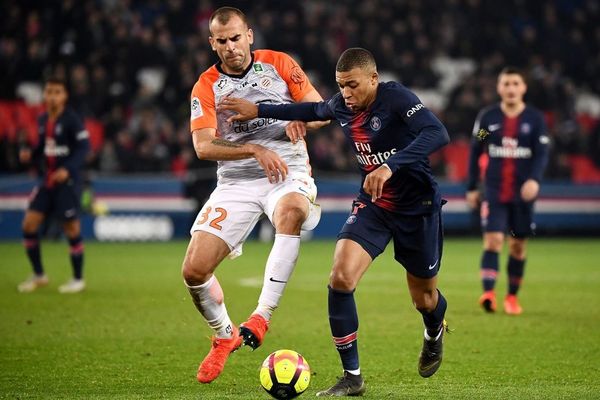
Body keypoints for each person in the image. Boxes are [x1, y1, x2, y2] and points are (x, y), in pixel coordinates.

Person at [221, 47, 450, 396]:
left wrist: (389, 166)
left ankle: (434, 330)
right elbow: (313, 109)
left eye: (353, 85)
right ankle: (352, 376)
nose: (346, 93)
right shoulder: (343, 105)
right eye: (341, 85)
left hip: (417, 208)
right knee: (340, 278)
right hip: (374, 205)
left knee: (425, 299)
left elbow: (437, 133)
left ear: (373, 79)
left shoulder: (395, 97)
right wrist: (261, 109)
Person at [181, 6, 327, 384]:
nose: (231, 47)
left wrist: (300, 115)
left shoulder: (279, 64)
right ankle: (224, 334)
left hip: (287, 170)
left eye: (236, 38)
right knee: (194, 271)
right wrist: (253, 150)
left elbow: (322, 110)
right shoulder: (206, 86)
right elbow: (202, 146)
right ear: (212, 43)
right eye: (222, 41)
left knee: (292, 210)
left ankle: (261, 316)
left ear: (250, 35)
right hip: (237, 182)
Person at [466, 67, 550, 315]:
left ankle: (512, 297)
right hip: (494, 192)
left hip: (522, 195)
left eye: (515, 83)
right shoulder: (488, 119)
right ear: (499, 87)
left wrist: (534, 180)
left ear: (523, 88)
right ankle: (488, 293)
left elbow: (542, 153)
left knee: (517, 246)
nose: (511, 88)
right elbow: (476, 149)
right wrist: (471, 187)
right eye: (506, 84)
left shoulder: (535, 120)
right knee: (493, 240)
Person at [18, 77, 90, 294]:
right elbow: (44, 147)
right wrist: (31, 154)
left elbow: (84, 148)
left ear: (65, 96)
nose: (52, 96)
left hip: (67, 182)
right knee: (29, 225)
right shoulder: (43, 119)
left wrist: (67, 169)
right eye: (49, 92)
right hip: (47, 182)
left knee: (71, 228)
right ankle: (39, 275)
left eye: (57, 92)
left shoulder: (72, 120)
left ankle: (78, 279)